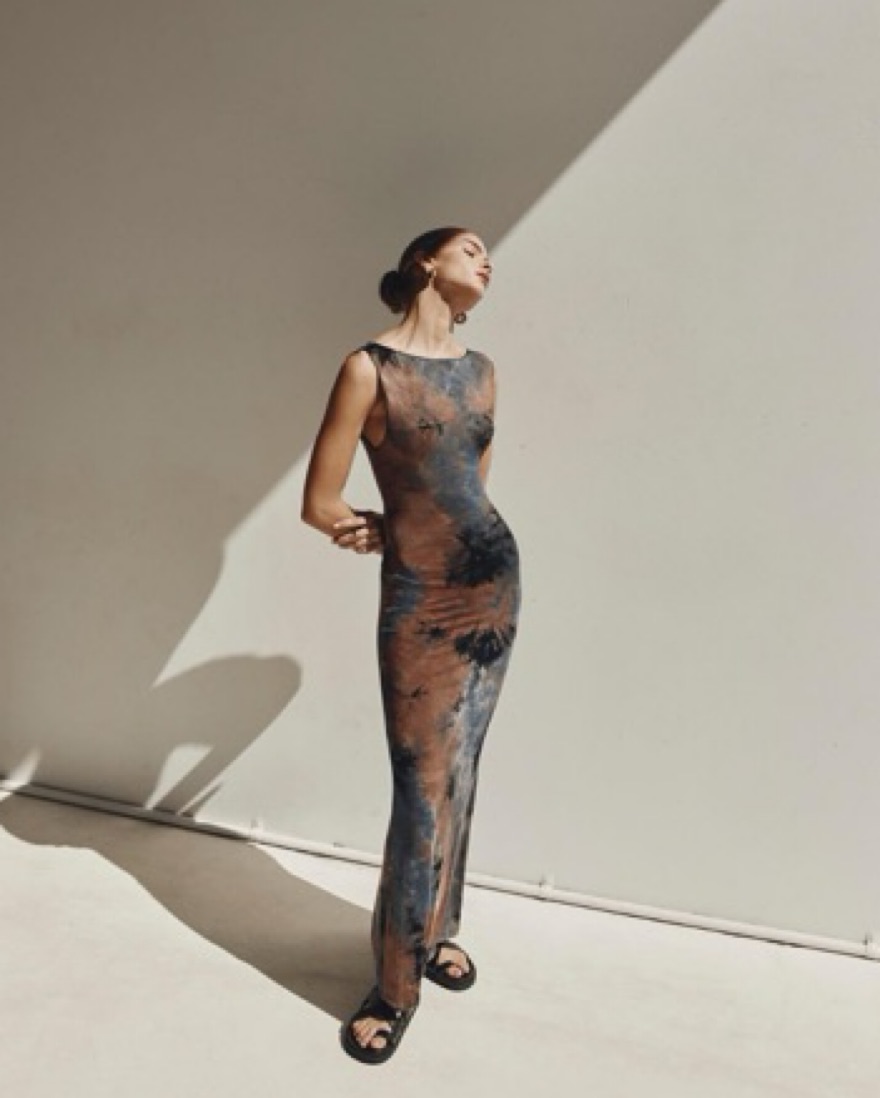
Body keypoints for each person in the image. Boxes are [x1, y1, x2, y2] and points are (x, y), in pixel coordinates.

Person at [301, 226, 521, 1064]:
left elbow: (471, 491)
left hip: (493, 583)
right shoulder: (368, 368)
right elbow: (320, 502)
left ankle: (436, 930)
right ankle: (395, 986)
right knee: (420, 783)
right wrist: (374, 530)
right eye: (470, 247)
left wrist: (435, 535)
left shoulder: (483, 371)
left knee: (462, 768)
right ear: (427, 262)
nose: (486, 259)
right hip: (421, 597)